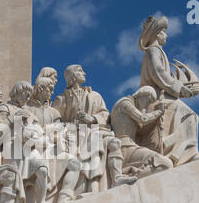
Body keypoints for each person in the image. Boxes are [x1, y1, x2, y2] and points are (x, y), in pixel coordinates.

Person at [53, 64, 136, 193]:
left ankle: (117, 177)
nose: (84, 73)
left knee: (114, 142)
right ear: (73, 76)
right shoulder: (62, 99)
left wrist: (92, 119)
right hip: (75, 135)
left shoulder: (95, 96)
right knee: (90, 150)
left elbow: (105, 113)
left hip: (96, 131)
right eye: (80, 71)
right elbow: (55, 122)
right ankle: (89, 189)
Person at [139, 15, 199, 165]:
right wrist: (180, 89)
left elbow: (163, 75)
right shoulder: (153, 50)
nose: (166, 35)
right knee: (188, 114)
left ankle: (185, 151)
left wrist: (182, 87)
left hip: (164, 95)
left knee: (192, 116)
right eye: (164, 32)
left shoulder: (158, 51)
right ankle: (181, 153)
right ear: (157, 33)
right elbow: (158, 73)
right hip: (156, 98)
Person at [111, 86, 173, 178]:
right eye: (149, 100)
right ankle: (129, 176)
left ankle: (130, 175)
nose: (148, 104)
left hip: (132, 147)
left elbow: (142, 125)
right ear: (143, 95)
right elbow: (143, 119)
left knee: (166, 163)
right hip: (125, 147)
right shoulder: (124, 103)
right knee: (164, 163)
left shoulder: (132, 105)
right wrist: (159, 111)